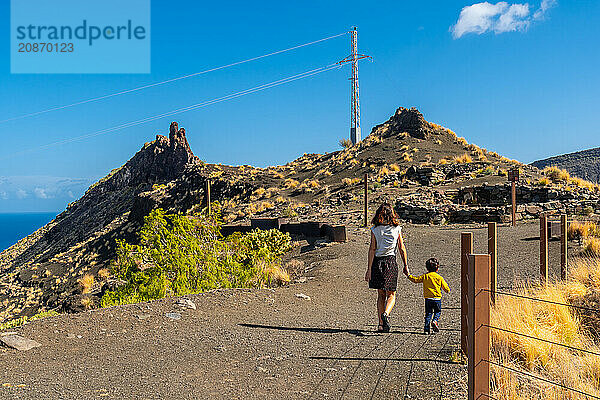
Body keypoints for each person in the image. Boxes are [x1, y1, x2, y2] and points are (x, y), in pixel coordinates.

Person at [365, 202, 409, 333]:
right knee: (392, 294)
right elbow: (401, 248)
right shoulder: (397, 229)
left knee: (380, 295)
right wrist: (405, 265)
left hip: (377, 263)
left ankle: (380, 324)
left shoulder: (375, 229)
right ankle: (386, 314)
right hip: (390, 262)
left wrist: (369, 269)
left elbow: (372, 249)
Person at [404, 257, 449, 334]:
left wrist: (408, 275)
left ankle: (426, 329)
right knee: (437, 312)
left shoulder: (425, 276)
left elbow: (415, 279)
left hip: (428, 299)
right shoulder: (439, 277)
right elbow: (446, 288)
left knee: (428, 313)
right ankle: (435, 321)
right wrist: (447, 290)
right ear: (437, 268)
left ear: (427, 268)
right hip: (437, 299)